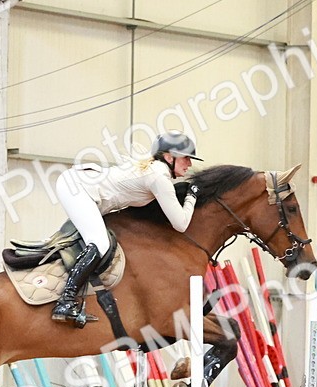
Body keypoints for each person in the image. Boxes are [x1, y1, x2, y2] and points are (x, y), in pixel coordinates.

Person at [50, 131, 203, 324]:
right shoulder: (158, 178)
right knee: (100, 243)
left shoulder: (157, 172)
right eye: (186, 158)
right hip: (78, 188)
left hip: (82, 186)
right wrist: (192, 197)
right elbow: (180, 224)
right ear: (169, 157)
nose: (189, 164)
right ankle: (66, 301)